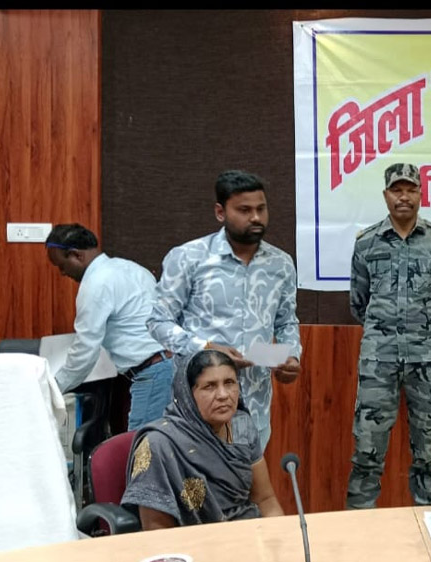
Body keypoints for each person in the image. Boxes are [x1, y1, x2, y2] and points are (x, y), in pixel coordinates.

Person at [346, 163, 431, 509]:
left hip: (429, 362)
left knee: (428, 453)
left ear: (420, 193)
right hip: (379, 361)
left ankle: (428, 522)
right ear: (385, 195)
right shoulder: (367, 242)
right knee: (366, 450)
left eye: (410, 190)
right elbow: (358, 304)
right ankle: (358, 525)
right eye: (396, 190)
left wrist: (430, 332)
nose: (403, 197)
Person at [148, 169, 302, 451]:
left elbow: (286, 322)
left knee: (247, 476)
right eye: (244, 210)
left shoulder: (281, 263)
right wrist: (206, 348)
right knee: (197, 477)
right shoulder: (189, 258)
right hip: (198, 406)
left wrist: (290, 356)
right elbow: (158, 322)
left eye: (261, 209)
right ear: (220, 212)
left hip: (254, 405)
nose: (255, 218)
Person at [121, 350, 283, 528]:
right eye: (210, 386)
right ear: (188, 394)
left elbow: (265, 499)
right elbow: (157, 531)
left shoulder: (240, 425)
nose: (223, 395)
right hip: (194, 540)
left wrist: (281, 537)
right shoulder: (160, 444)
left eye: (229, 383)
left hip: (249, 533)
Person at [45, 223, 175, 430]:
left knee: (142, 445)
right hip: (171, 365)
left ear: (76, 255)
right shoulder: (131, 268)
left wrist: (52, 388)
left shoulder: (95, 284)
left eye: (62, 265)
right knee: (162, 442)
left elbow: (85, 352)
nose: (62, 273)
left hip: (153, 372)